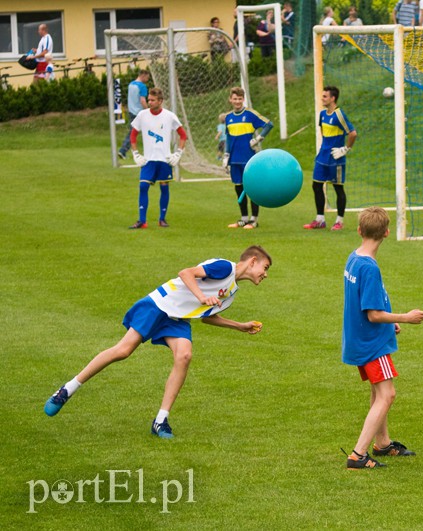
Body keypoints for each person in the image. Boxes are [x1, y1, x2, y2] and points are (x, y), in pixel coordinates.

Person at [44, 246, 272, 439]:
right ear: (252, 261)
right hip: (160, 305)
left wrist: (239, 326)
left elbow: (207, 317)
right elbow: (186, 273)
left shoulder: (231, 292)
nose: (266, 274)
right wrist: (201, 297)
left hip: (178, 318)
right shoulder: (224, 268)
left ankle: (160, 421)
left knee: (184, 356)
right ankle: (67, 389)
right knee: (123, 351)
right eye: (265, 267)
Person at [341, 207, 423, 469]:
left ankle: (382, 443)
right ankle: (358, 455)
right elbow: (373, 314)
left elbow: (363, 306)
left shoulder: (353, 258)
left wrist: (389, 326)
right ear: (387, 233)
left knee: (378, 391)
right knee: (387, 394)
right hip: (371, 343)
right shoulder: (369, 268)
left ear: (359, 230)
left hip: (363, 338)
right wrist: (405, 317)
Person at [128, 87, 187, 229]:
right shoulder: (142, 115)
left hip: (164, 160)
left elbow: (183, 135)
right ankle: (142, 221)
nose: (149, 102)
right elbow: (133, 135)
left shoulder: (169, 116)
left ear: (160, 101)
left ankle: (162, 219)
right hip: (148, 160)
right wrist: (136, 154)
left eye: (153, 100)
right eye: (149, 99)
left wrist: (178, 153)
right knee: (143, 186)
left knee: (164, 187)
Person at [303, 86, 356, 231]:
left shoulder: (339, 115)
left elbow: (353, 133)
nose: (322, 98)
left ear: (333, 98)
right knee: (316, 185)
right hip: (322, 156)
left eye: (325, 96)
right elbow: (324, 133)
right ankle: (320, 219)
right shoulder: (322, 114)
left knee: (338, 188)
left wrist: (344, 149)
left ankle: (339, 221)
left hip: (336, 158)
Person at [223, 87, 273, 229]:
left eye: (240, 99)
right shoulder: (228, 117)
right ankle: (244, 218)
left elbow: (269, 124)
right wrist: (226, 156)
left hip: (249, 158)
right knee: (239, 188)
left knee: (252, 188)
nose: (237, 101)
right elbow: (228, 137)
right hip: (234, 158)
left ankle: (254, 220)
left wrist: (258, 139)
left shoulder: (250, 114)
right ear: (230, 99)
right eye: (235, 99)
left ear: (243, 99)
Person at [118, 69, 150, 160]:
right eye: (147, 78)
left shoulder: (131, 84)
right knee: (134, 132)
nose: (147, 80)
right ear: (143, 75)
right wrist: (148, 110)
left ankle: (143, 151)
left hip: (131, 112)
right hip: (139, 113)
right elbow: (142, 100)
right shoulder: (142, 86)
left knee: (139, 131)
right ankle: (123, 150)